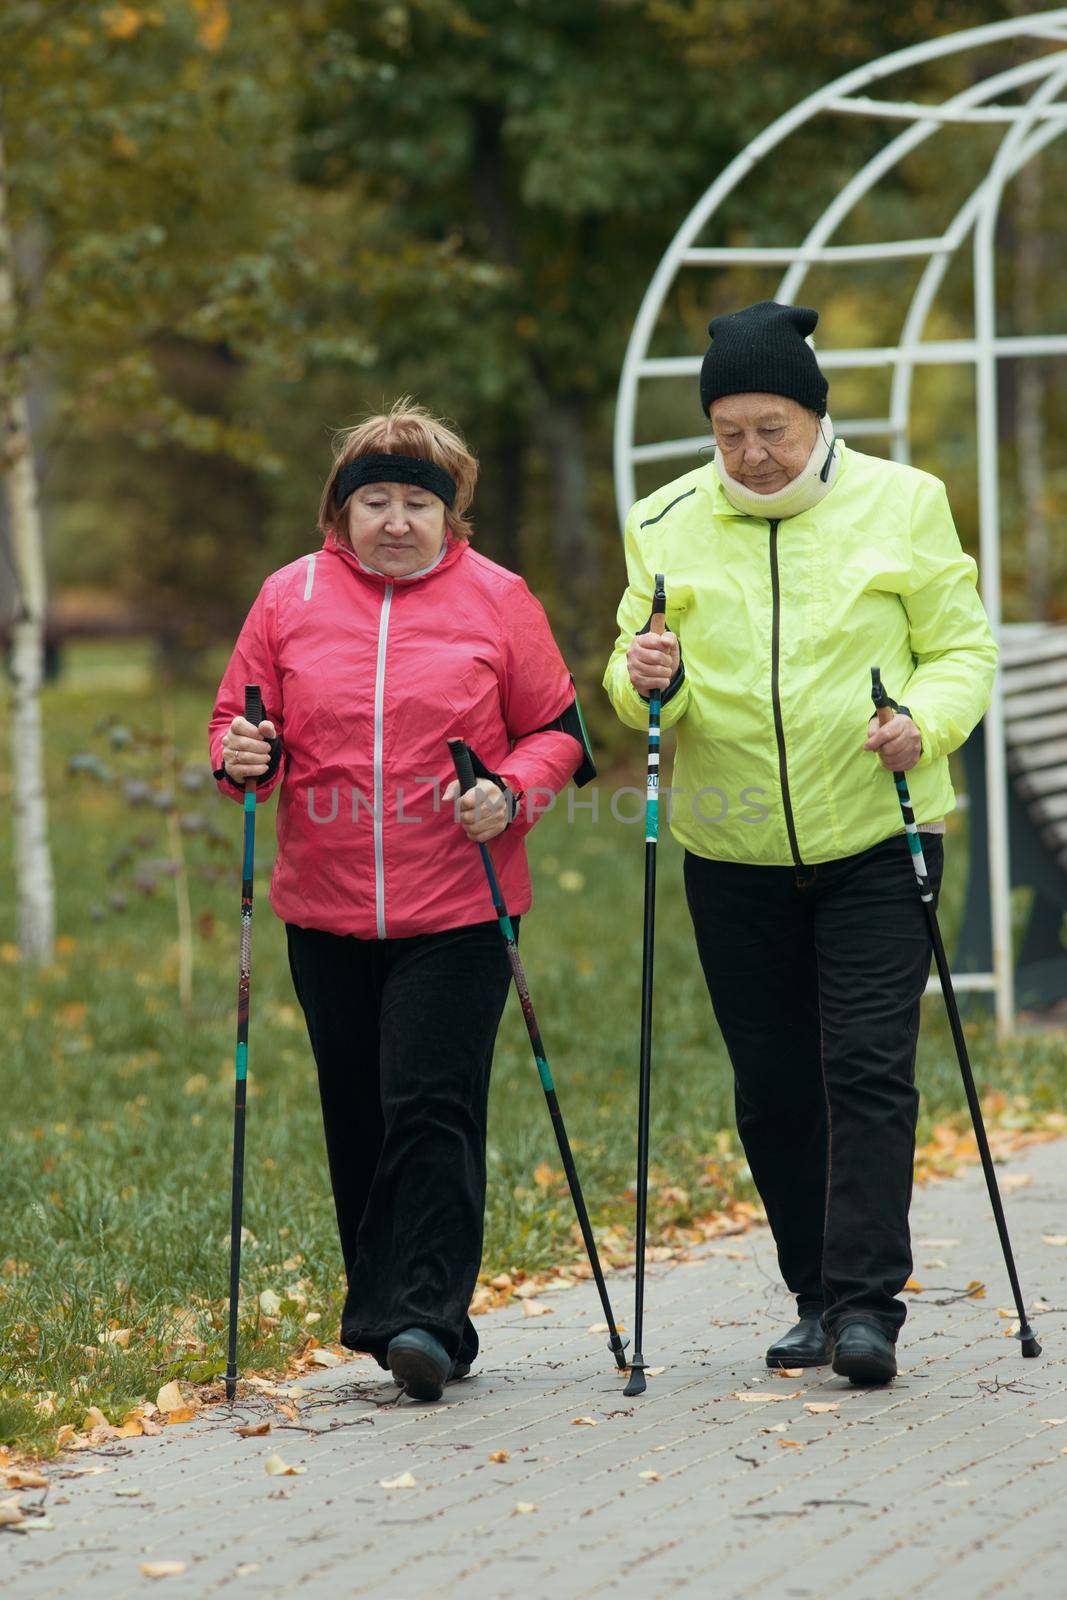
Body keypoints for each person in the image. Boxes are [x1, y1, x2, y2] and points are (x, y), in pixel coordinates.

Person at [604, 301, 997, 1386]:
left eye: (770, 427)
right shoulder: (665, 519)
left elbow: (962, 649)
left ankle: (867, 1304)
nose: (750, 453)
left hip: (877, 828)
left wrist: (922, 719)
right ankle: (812, 1295)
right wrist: (644, 678)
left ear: (815, 416)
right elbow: (633, 667)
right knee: (772, 1082)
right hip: (729, 848)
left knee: (866, 1067)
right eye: (728, 431)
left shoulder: (903, 503)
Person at [209, 400, 593, 1401]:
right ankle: (391, 1309)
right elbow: (241, 724)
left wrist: (509, 792)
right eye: (372, 500)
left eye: (415, 502)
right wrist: (243, 755)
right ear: (338, 513)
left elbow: (558, 732)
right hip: (324, 907)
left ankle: (421, 1315)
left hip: (461, 904)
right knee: (358, 1110)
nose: (394, 520)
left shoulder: (498, 598)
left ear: (448, 514)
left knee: (430, 1100)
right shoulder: (287, 597)